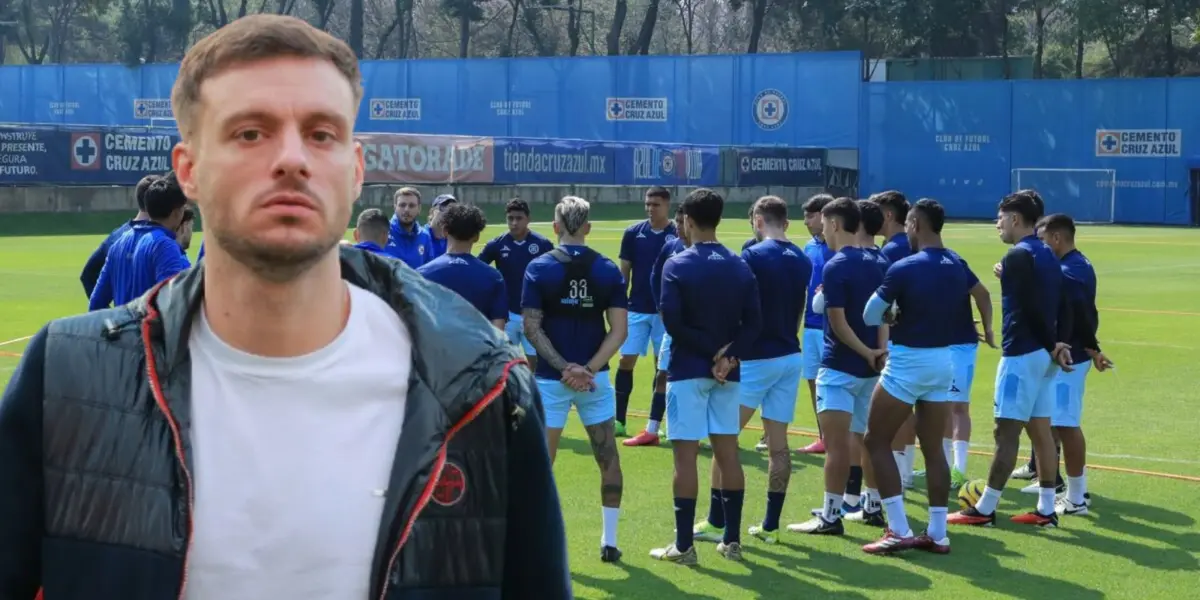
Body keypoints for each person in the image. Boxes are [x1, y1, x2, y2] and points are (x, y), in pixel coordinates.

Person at [0, 14, 570, 600]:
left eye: (321, 134)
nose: (292, 158)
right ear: (188, 171)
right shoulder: (67, 374)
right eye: (251, 132)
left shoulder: (484, 387)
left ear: (353, 172)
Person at [949, 190, 1073, 529]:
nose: (997, 224)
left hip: (1021, 354)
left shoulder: (1019, 255)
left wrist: (1051, 344)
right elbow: (1062, 301)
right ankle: (1046, 509)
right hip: (1043, 357)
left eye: (1000, 218)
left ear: (1016, 219)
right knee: (1041, 432)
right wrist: (1058, 343)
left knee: (1005, 433)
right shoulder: (1046, 252)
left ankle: (985, 508)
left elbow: (1030, 309)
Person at [651, 188, 761, 565]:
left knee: (685, 459)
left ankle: (684, 547)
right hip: (729, 374)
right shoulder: (739, 264)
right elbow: (754, 323)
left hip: (687, 370)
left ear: (688, 221)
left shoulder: (677, 264)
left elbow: (673, 322)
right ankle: (731, 541)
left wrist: (709, 354)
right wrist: (727, 358)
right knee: (728, 454)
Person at [859, 198, 970, 555]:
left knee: (875, 441)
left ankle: (898, 528)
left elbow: (869, 315)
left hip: (908, 363)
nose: (905, 229)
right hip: (943, 361)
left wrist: (893, 314)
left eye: (908, 224)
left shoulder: (904, 267)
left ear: (916, 224)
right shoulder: (957, 263)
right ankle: (938, 532)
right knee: (934, 447)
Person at [521, 195, 628, 563]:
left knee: (541, 463)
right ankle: (609, 541)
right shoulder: (608, 269)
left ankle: (535, 544)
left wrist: (565, 367)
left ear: (554, 227)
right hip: (595, 382)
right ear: (588, 228)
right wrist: (589, 369)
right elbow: (619, 332)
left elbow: (532, 329)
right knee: (608, 457)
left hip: (552, 380)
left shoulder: (539, 267)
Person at [788, 197, 885, 537]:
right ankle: (873, 506)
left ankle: (830, 515)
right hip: (870, 370)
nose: (823, 231)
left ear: (837, 224)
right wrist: (878, 351)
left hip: (840, 367)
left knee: (837, 445)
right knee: (868, 441)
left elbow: (838, 323)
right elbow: (884, 314)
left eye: (826, 224)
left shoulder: (836, 264)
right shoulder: (879, 260)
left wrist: (864, 351)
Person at [729, 196, 811, 544]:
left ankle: (720, 521)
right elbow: (799, 311)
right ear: (786, 222)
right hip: (790, 354)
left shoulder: (752, 256)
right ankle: (770, 526)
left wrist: (730, 352)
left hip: (757, 358)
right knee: (779, 447)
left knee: (724, 438)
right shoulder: (803, 259)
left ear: (758, 221)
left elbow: (740, 309)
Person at [1037, 213, 1111, 516]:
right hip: (1071, 354)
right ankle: (1059, 486)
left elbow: (1083, 315)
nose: (1041, 248)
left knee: (1067, 425)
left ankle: (1077, 498)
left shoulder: (1073, 270)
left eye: (1043, 241)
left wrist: (1093, 349)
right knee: (1057, 422)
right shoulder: (1073, 265)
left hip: (1073, 357)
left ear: (1057, 238)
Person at [624, 204, 689, 447]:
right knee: (663, 374)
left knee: (696, 379)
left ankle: (703, 431)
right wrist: (662, 306)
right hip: (672, 329)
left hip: (698, 330)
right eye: (679, 222)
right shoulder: (671, 246)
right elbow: (655, 275)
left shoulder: (705, 251)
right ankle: (652, 430)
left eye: (685, 223)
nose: (681, 228)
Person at [615, 186, 676, 438]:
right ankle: (619, 420)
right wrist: (619, 307)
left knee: (661, 368)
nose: (651, 208)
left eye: (656, 204)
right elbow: (624, 273)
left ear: (667, 205)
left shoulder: (677, 234)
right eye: (648, 204)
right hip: (636, 309)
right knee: (625, 360)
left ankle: (656, 423)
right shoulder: (633, 233)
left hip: (665, 313)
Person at [870, 190, 920, 490]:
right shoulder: (912, 245)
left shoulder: (889, 252)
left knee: (897, 406)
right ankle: (907, 467)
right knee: (911, 406)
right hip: (922, 334)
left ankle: (900, 471)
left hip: (898, 336)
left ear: (887, 215)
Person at [88, 173, 192, 311]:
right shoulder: (165, 246)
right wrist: (181, 254)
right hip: (152, 332)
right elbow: (174, 303)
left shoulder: (119, 244)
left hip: (126, 330)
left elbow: (96, 304)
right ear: (177, 212)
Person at [479, 197, 554, 369]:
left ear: (528, 219)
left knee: (535, 360)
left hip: (533, 315)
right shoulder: (496, 245)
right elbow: (479, 269)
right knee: (504, 360)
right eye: (510, 218)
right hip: (507, 314)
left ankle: (531, 391)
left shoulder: (542, 245)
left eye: (519, 218)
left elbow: (555, 276)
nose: (514, 223)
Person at [943, 246, 995, 489]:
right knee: (939, 405)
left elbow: (982, 294)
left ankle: (958, 470)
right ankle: (943, 465)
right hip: (937, 344)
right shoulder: (948, 259)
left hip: (958, 347)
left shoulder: (952, 260)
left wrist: (989, 329)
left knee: (958, 407)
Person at [417, 204, 508, 329]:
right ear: (476, 237)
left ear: (444, 231)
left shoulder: (422, 274)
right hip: (478, 347)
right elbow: (499, 329)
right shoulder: (493, 277)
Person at [797, 194, 835, 455]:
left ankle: (841, 436)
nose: (806, 222)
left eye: (810, 216)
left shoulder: (840, 246)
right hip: (810, 326)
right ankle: (824, 436)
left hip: (834, 327)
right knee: (813, 381)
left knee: (835, 381)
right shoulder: (807, 248)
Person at [80, 174, 157, 297]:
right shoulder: (161, 239)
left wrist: (106, 309)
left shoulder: (116, 236)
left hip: (123, 313)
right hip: (152, 314)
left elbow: (88, 274)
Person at [384, 186, 434, 268]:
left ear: (419, 209)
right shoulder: (383, 232)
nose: (406, 209)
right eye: (402, 205)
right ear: (395, 207)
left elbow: (429, 271)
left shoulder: (424, 236)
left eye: (411, 205)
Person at [426, 194, 457, 260]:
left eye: (452, 210)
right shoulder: (422, 236)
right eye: (443, 208)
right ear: (432, 211)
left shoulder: (454, 238)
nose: (447, 213)